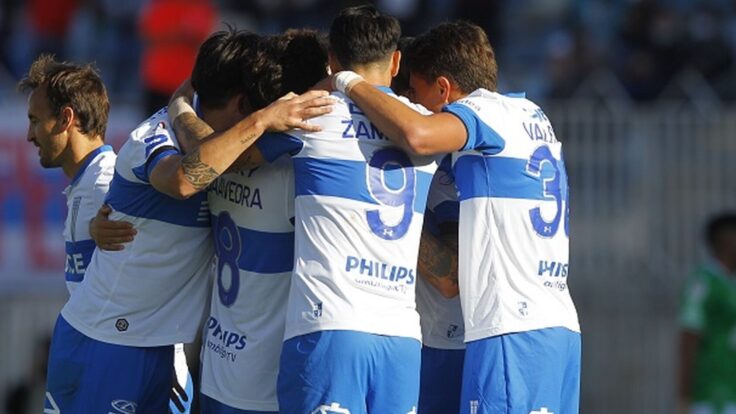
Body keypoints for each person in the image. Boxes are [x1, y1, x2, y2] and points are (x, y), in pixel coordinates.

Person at [46, 28, 333, 413]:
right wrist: (261, 121)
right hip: (106, 342)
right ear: (244, 103)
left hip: (163, 350)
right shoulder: (155, 134)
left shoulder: (230, 146)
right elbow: (181, 180)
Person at [329, 20, 581, 414]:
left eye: (415, 93)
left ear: (444, 89)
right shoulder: (532, 114)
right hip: (558, 327)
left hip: (511, 328)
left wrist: (347, 82)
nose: (410, 105)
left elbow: (418, 134)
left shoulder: (484, 113)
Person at [179, 29, 330, 414]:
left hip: (217, 368)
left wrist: (178, 102)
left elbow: (194, 155)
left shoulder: (216, 156)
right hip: (268, 385)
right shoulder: (301, 164)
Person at [391, 37, 466, 414]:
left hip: (445, 350)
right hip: (415, 344)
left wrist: (388, 220)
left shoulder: (447, 170)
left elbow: (450, 277)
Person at [679, 213, 736, 414]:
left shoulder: (731, 283)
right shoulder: (703, 283)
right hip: (712, 392)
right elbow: (689, 336)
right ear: (726, 240)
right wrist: (684, 395)